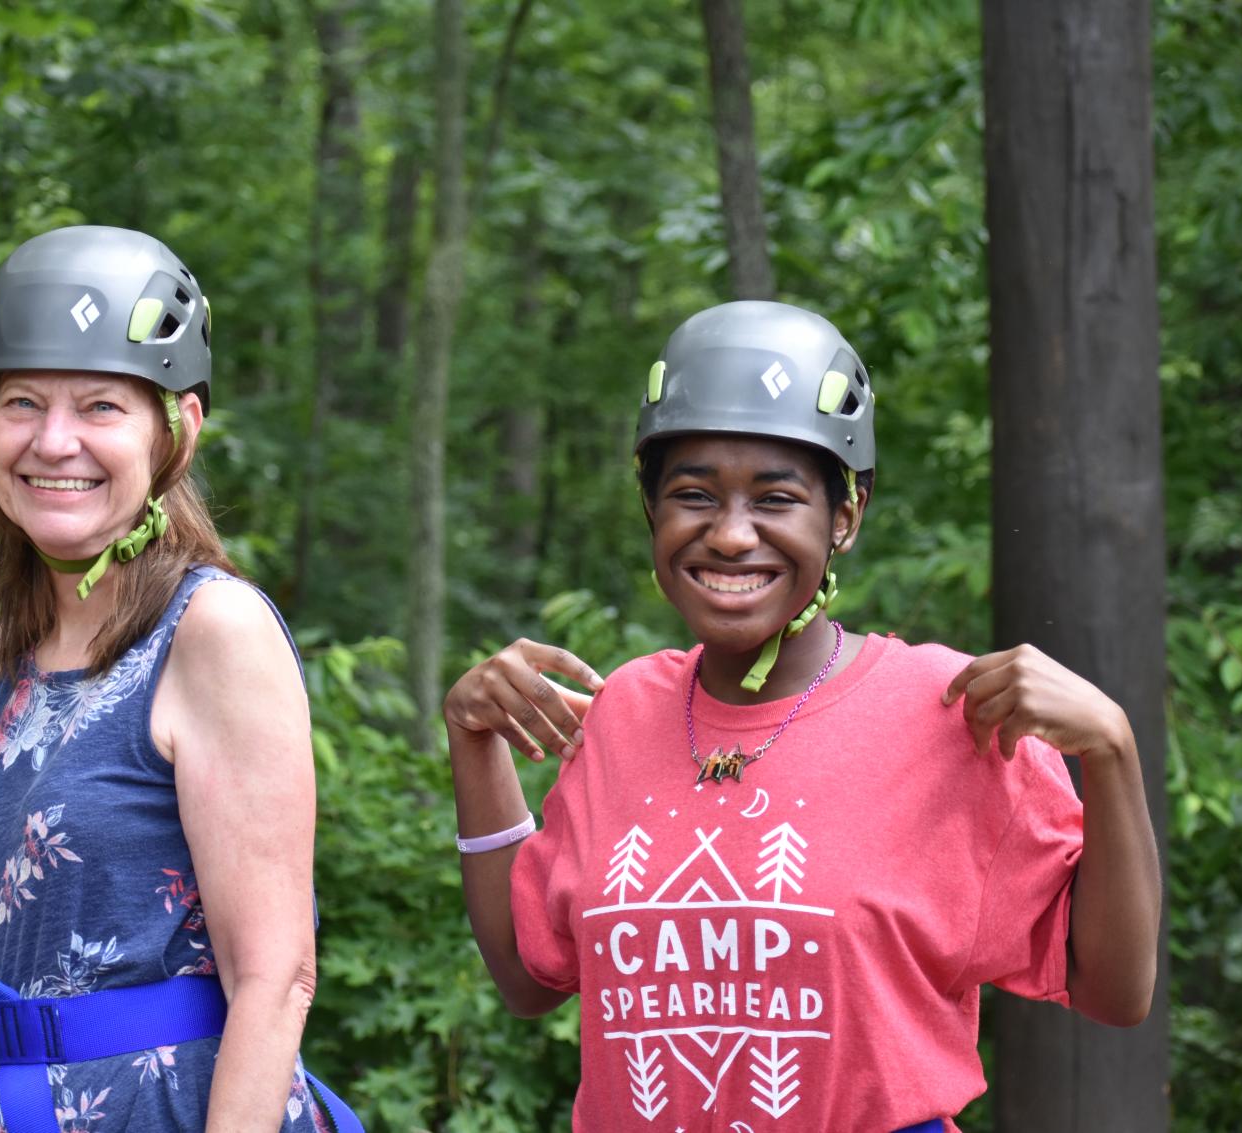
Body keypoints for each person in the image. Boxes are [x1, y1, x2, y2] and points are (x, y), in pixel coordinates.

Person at [444, 301, 1160, 1131]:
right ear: (652, 511)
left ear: (845, 515)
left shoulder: (950, 715)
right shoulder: (624, 712)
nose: (731, 534)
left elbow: (1115, 989)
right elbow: (532, 975)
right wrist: (475, 744)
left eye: (777, 498)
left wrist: (1113, 750)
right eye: (693, 494)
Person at [0, 226, 332, 1133]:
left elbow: (275, 976)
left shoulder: (212, 631)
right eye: (22, 402)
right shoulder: (6, 650)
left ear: (178, 429)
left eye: (99, 406)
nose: (55, 442)